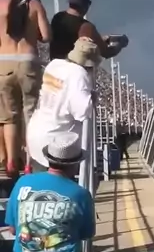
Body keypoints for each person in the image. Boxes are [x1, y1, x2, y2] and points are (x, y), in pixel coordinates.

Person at [0, 0, 50, 175]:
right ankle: (30, 162)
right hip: (28, 62)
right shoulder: (35, 4)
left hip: (4, 63)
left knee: (9, 116)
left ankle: (11, 161)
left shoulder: (0, 4)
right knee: (30, 114)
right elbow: (46, 36)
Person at [26, 37, 100, 172]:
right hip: (57, 142)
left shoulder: (54, 64)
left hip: (36, 132)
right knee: (60, 183)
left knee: (41, 180)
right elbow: (82, 112)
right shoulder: (79, 74)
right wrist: (92, 99)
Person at [49, 0, 128, 62]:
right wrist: (120, 45)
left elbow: (69, 38)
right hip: (72, 69)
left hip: (53, 67)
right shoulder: (86, 27)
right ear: (87, 4)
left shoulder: (57, 17)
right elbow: (106, 52)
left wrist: (103, 39)